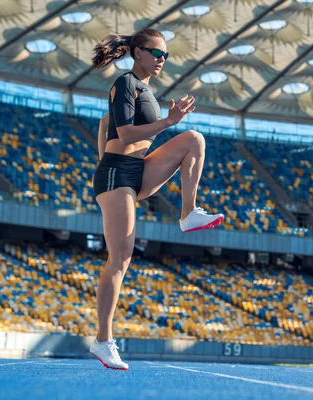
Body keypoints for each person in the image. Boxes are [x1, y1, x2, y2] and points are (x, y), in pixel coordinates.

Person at [88, 28, 224, 370]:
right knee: (120, 258)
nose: (163, 60)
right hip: (117, 174)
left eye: (166, 55)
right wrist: (168, 121)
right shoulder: (125, 82)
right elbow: (123, 133)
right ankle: (103, 341)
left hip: (137, 170)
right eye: (157, 53)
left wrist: (170, 121)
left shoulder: (146, 91)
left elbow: (108, 126)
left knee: (194, 138)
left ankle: (188, 213)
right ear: (138, 53)